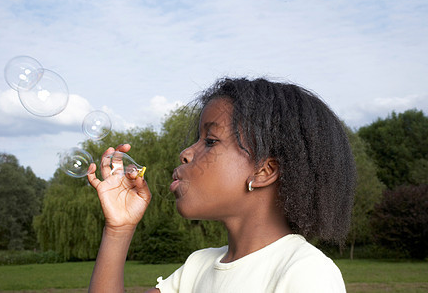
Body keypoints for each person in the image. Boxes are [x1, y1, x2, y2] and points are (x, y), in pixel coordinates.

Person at [87, 78, 356, 292]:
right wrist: (119, 230)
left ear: (264, 170)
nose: (186, 153)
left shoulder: (304, 272)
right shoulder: (197, 267)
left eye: (211, 141)